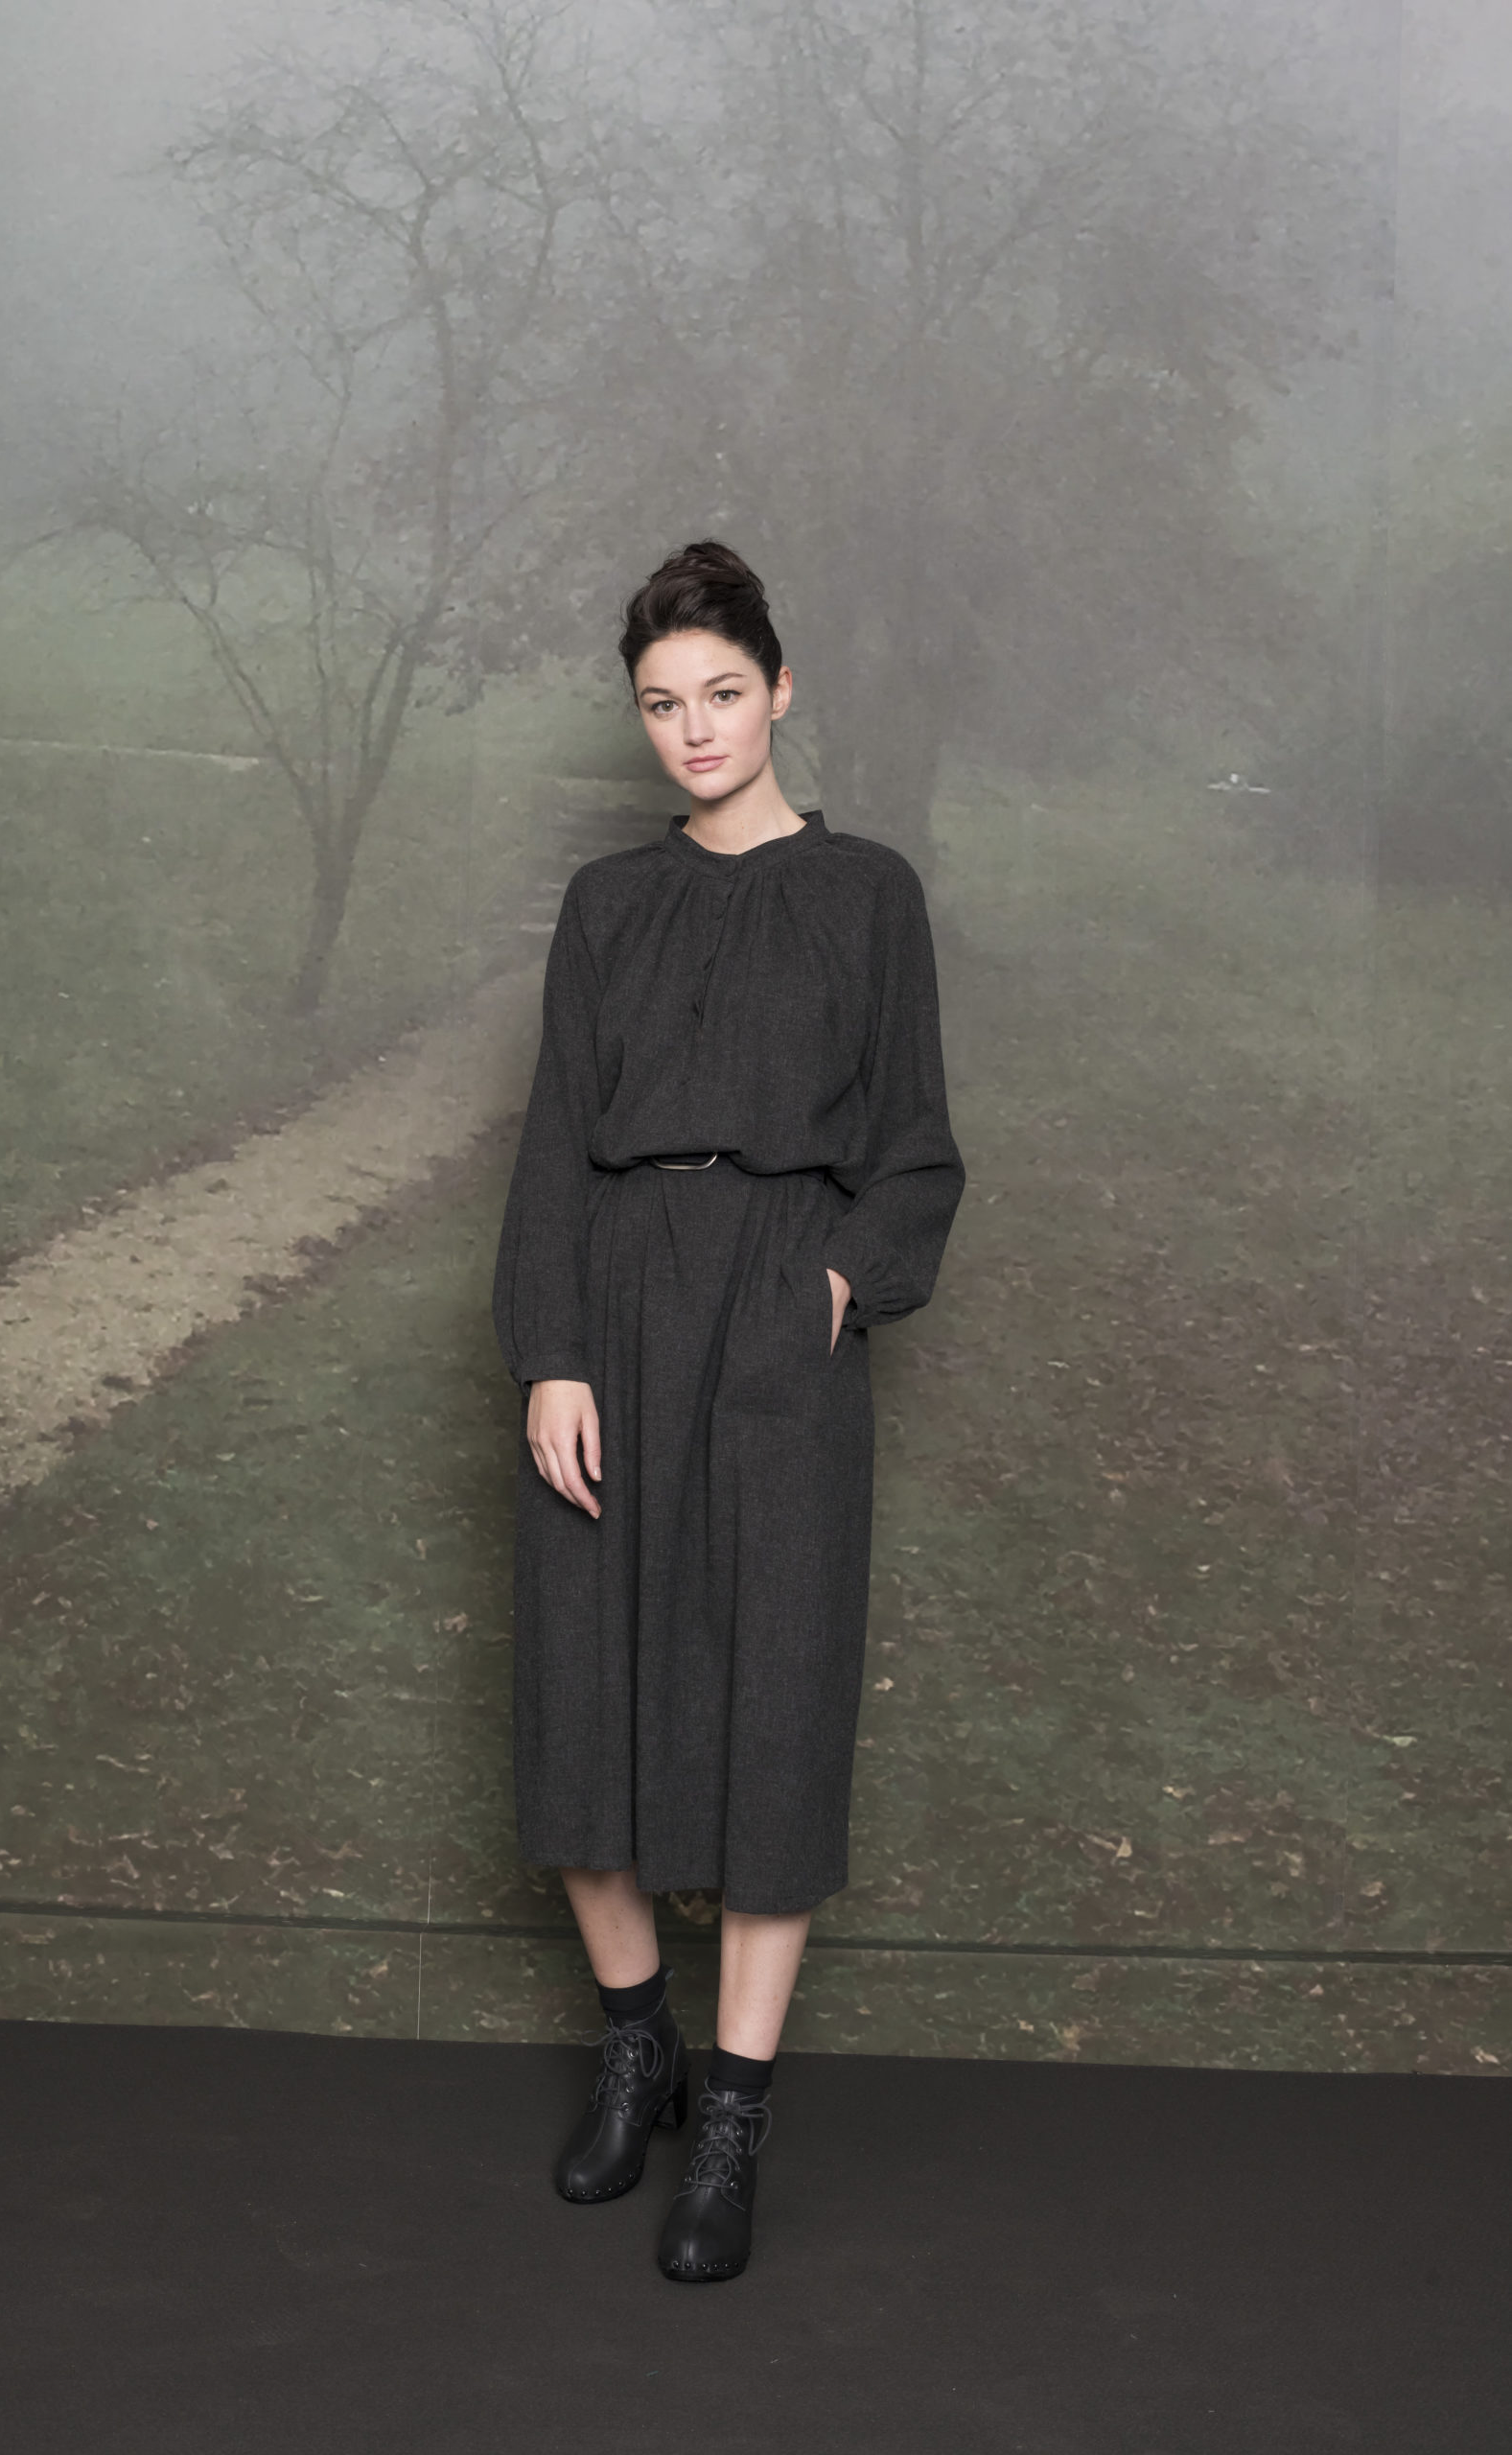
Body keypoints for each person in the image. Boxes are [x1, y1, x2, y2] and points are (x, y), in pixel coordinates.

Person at [492, 539, 964, 2281]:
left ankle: (737, 2122)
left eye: (721, 693)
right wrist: (551, 1352)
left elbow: (917, 1151)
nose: (693, 729)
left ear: (780, 692)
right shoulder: (609, 907)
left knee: (776, 1708)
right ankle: (642, 2047)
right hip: (614, 1308)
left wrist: (833, 1288)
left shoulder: (869, 896)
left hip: (779, 1314)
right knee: (582, 1699)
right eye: (660, 704)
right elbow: (554, 1144)